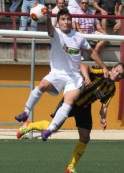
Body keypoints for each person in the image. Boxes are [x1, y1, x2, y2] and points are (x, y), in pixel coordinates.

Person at [14, 8, 109, 141]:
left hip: (74, 77)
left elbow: (91, 52)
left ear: (71, 21)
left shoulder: (79, 37)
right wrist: (47, 18)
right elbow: (49, 30)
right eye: (63, 19)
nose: (66, 21)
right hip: (57, 73)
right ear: (58, 22)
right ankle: (25, 112)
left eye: (68, 19)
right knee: (41, 85)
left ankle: (50, 130)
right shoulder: (56, 33)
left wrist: (103, 67)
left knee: (69, 101)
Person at [16, 62, 124, 173]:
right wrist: (86, 77)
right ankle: (29, 125)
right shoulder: (100, 71)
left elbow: (104, 106)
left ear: (122, 77)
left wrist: (103, 118)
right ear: (113, 68)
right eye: (117, 71)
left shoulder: (111, 90)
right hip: (71, 100)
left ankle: (70, 167)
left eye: (120, 74)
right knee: (53, 127)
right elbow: (83, 65)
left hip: (84, 107)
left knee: (85, 137)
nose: (117, 74)